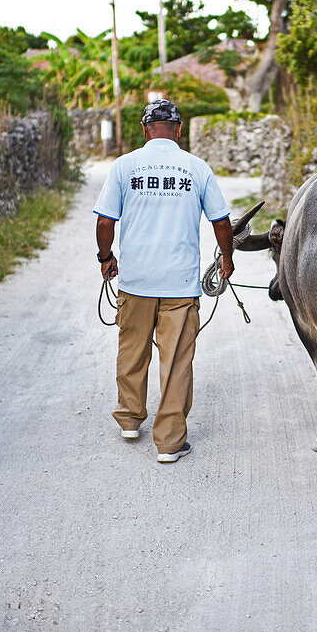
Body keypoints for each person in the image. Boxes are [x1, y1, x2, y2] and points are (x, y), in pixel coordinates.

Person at [93, 99, 234, 463]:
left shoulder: (124, 167)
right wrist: (228, 257)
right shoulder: (196, 168)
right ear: (179, 130)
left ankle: (129, 418)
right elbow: (221, 222)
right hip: (180, 285)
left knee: (132, 351)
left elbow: (105, 222)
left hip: (136, 282)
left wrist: (106, 258)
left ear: (144, 129)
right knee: (176, 362)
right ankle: (170, 442)